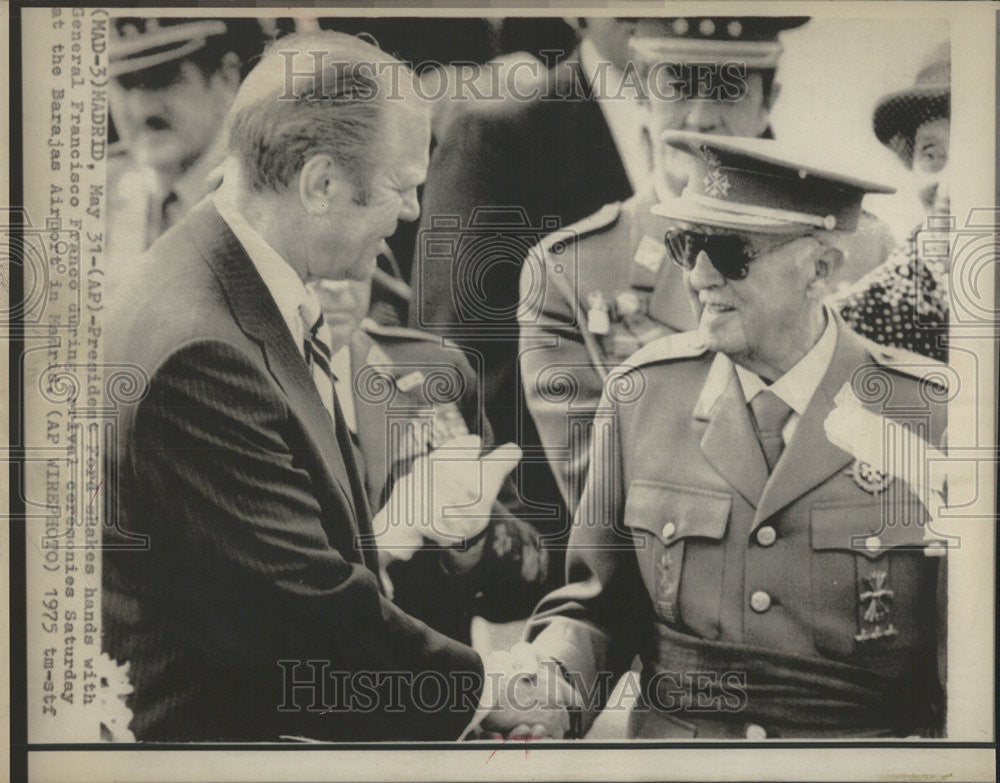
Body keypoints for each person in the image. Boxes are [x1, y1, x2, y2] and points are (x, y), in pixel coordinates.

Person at [102, 31, 573, 742]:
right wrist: (492, 691)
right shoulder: (203, 348)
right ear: (320, 184)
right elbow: (304, 611)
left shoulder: (219, 286)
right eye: (400, 184)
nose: (413, 210)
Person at [522, 132, 949, 739]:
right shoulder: (644, 395)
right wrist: (551, 681)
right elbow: (597, 609)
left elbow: (968, 672)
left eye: (728, 251)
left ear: (821, 268)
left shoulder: (934, 416)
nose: (697, 277)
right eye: (686, 244)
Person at [409, 16, 718, 577]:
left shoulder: (739, 135)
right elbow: (462, 364)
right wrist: (549, 567)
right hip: (550, 565)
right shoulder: (501, 136)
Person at [519, 17, 813, 513]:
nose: (700, 118)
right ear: (640, 90)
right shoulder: (569, 272)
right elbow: (607, 499)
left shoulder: (848, 254)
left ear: (770, 99)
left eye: (728, 90)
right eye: (678, 86)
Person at [311, 277, 550, 645]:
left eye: (354, 266)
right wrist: (383, 550)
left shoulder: (432, 370)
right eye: (317, 267)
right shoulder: (220, 382)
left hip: (434, 686)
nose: (337, 285)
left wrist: (471, 538)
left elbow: (527, 587)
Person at [106, 18, 264, 269]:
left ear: (226, 77)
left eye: (161, 78)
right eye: (124, 84)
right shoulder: (104, 190)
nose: (141, 109)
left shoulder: (272, 193)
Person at [836, 41, 950, 362]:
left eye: (983, 154)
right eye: (932, 154)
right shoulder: (859, 326)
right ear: (911, 160)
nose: (951, 187)